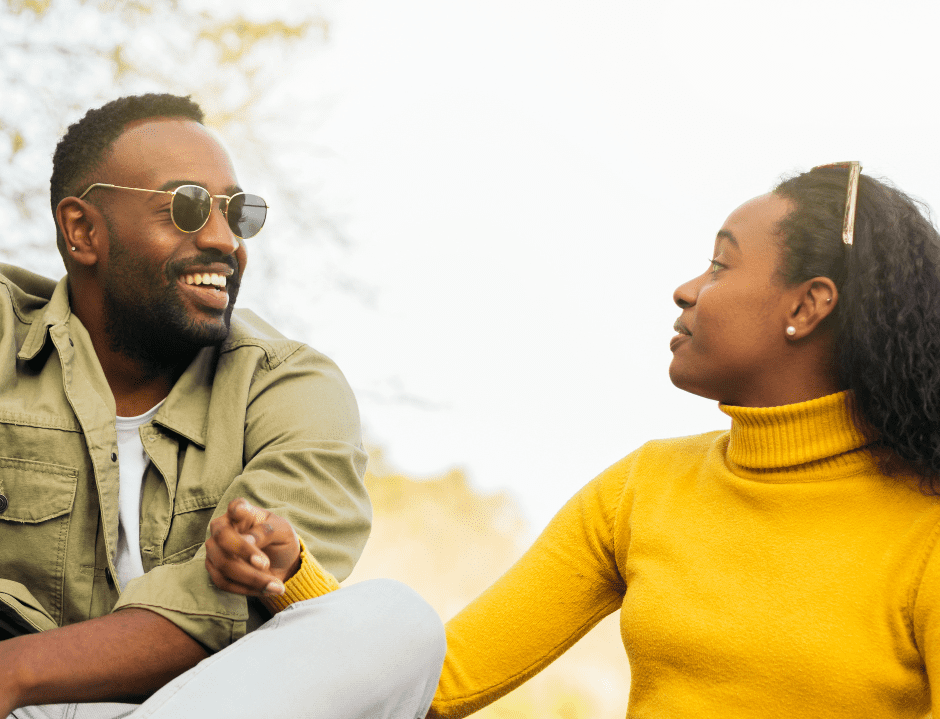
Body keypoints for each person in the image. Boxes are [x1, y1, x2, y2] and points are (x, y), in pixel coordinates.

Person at [210, 163, 940, 717]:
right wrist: (291, 573)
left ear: (808, 305)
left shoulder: (924, 531)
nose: (686, 288)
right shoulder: (645, 488)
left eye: (721, 263)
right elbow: (445, 680)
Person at [0, 93, 445, 719]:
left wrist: (16, 670)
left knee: (397, 622)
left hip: (209, 704)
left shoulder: (291, 385)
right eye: (185, 208)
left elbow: (258, 601)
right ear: (83, 231)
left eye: (239, 214)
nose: (223, 241)